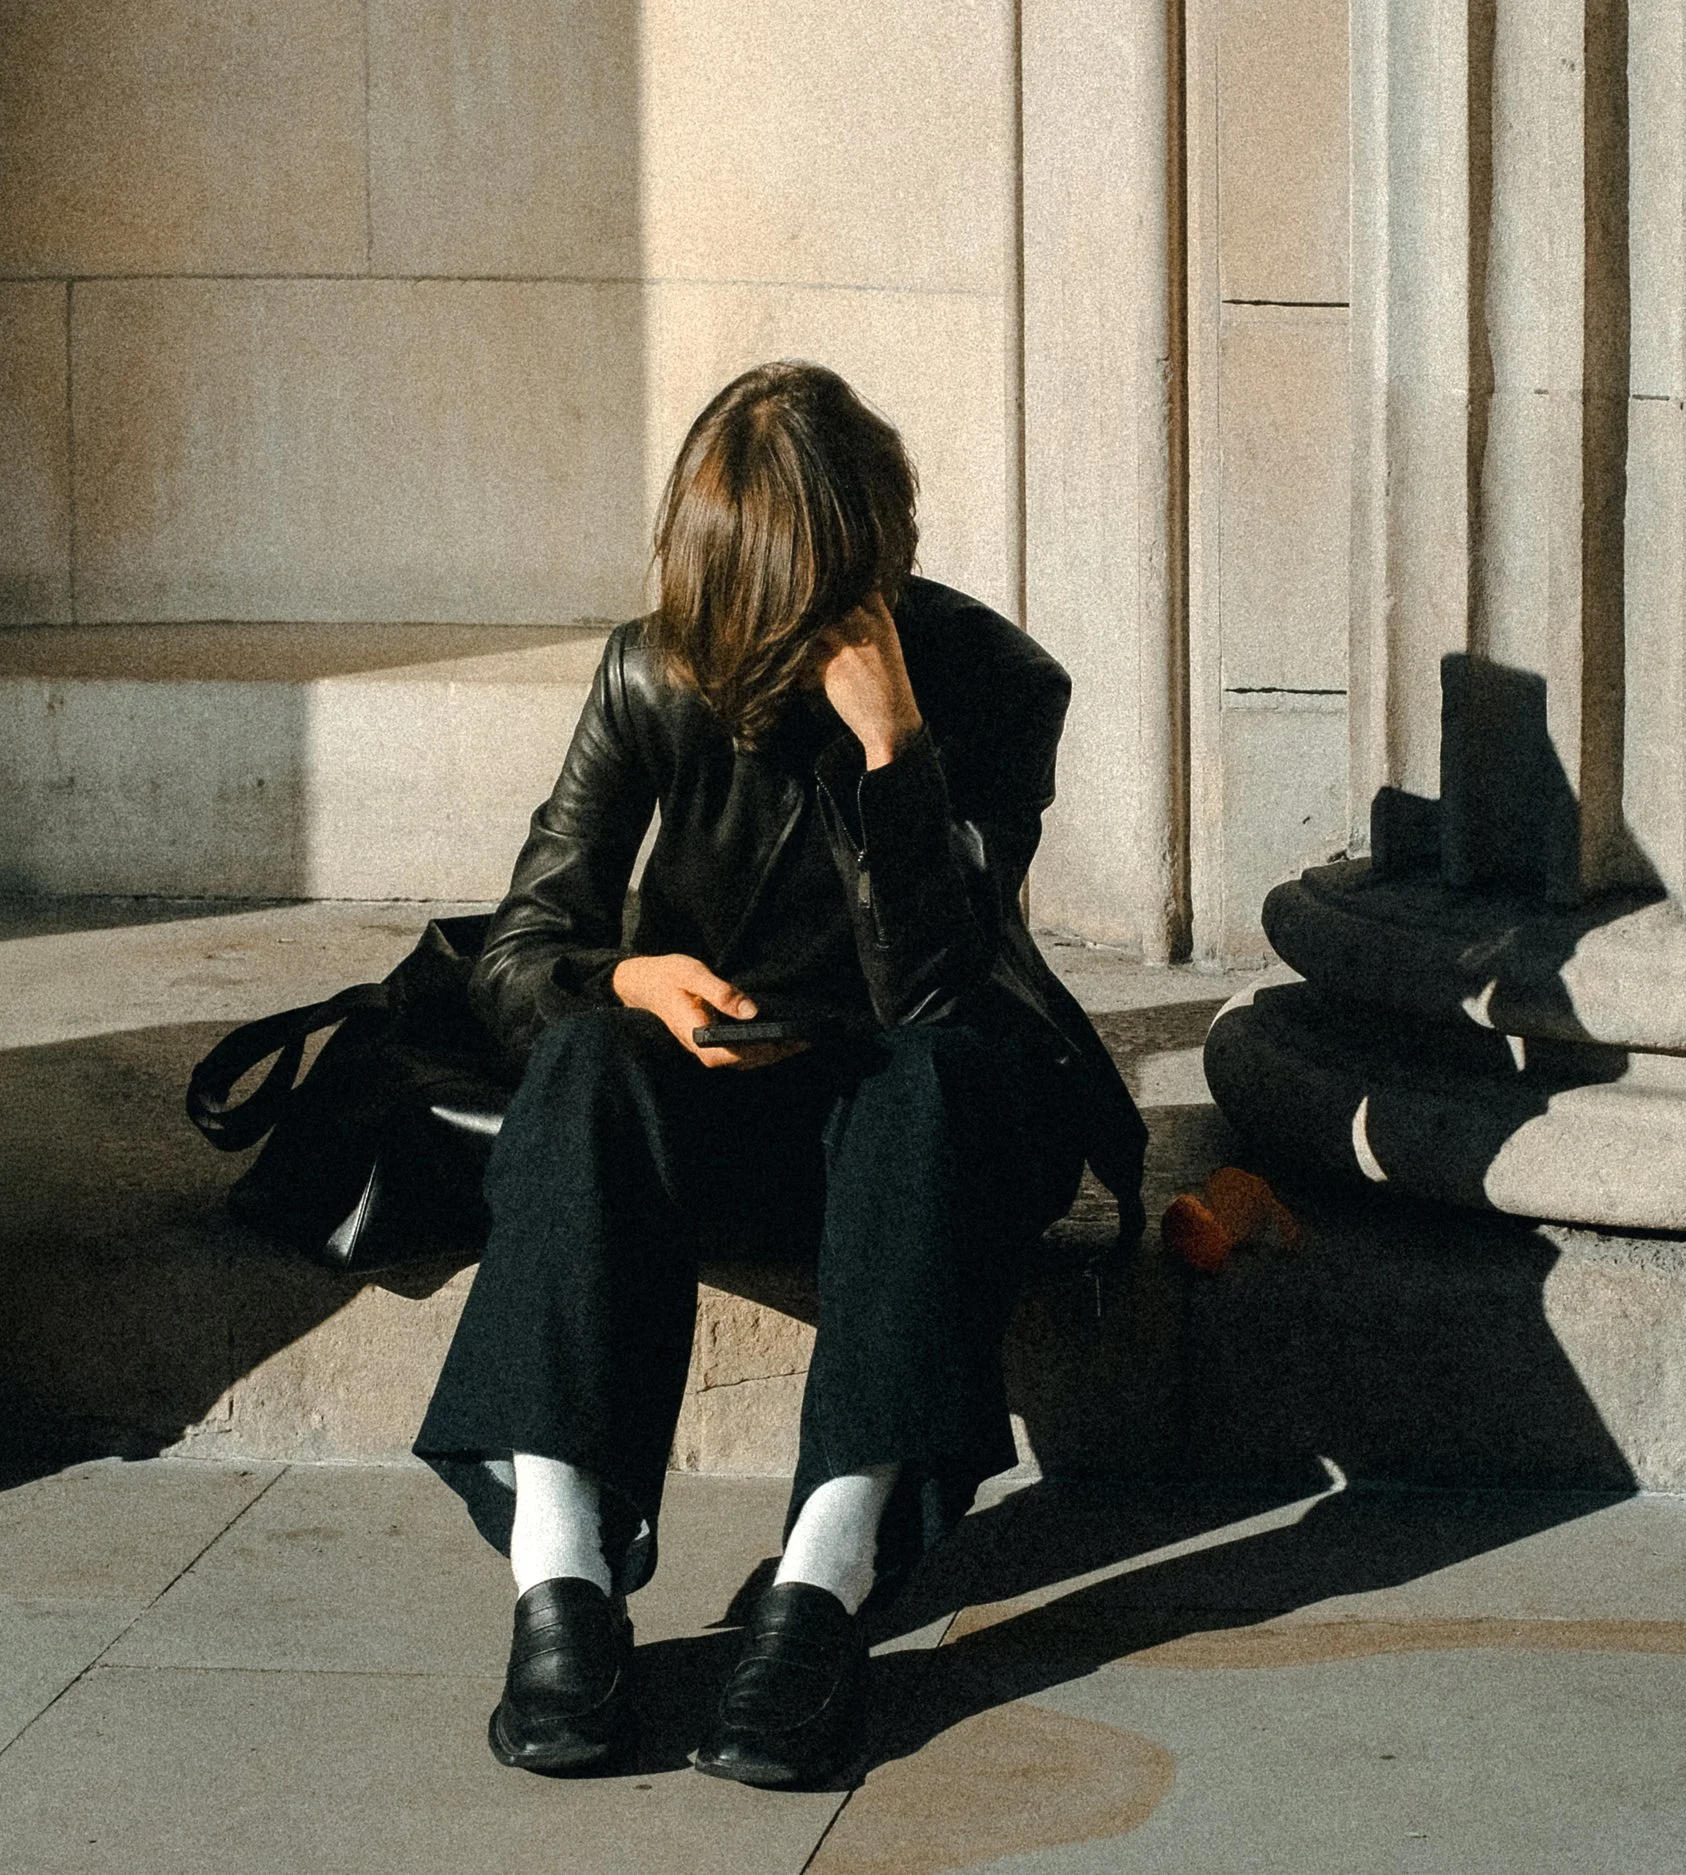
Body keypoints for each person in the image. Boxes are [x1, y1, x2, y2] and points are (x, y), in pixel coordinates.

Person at [413, 360, 1146, 1786]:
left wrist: (896, 750)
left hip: (931, 1129)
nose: (746, 656)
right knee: (579, 1067)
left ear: (872, 575)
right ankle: (560, 1576)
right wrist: (631, 977)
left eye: (789, 622)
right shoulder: (650, 670)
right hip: (734, 1105)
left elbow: (941, 986)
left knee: (924, 1079)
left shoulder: (996, 687)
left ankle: (826, 1574)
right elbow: (519, 948)